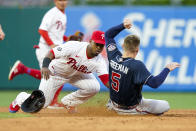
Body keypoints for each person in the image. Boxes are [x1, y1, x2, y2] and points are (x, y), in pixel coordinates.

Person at [9, 30, 109, 113]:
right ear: (90, 41)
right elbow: (51, 53)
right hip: (55, 73)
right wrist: (44, 66)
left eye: (102, 45)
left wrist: (120, 90)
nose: (99, 48)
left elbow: (106, 81)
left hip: (76, 76)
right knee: (43, 103)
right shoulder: (75, 46)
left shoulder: (99, 60)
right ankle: (20, 98)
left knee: (94, 87)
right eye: (97, 44)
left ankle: (69, 102)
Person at [105, 19, 180, 115]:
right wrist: (167, 69)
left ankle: (111, 106)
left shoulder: (113, 55)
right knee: (165, 106)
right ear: (137, 49)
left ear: (123, 45)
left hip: (113, 104)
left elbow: (108, 34)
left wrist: (123, 25)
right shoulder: (136, 65)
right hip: (129, 109)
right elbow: (154, 83)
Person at [8, 0, 68, 108]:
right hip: (46, 49)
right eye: (60, 0)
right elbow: (42, 30)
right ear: (55, 1)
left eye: (64, 0)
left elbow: (56, 34)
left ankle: (22, 69)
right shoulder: (52, 13)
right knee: (50, 75)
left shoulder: (63, 15)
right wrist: (51, 44)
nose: (62, 2)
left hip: (54, 50)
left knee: (60, 73)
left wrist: (66, 38)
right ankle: (23, 73)